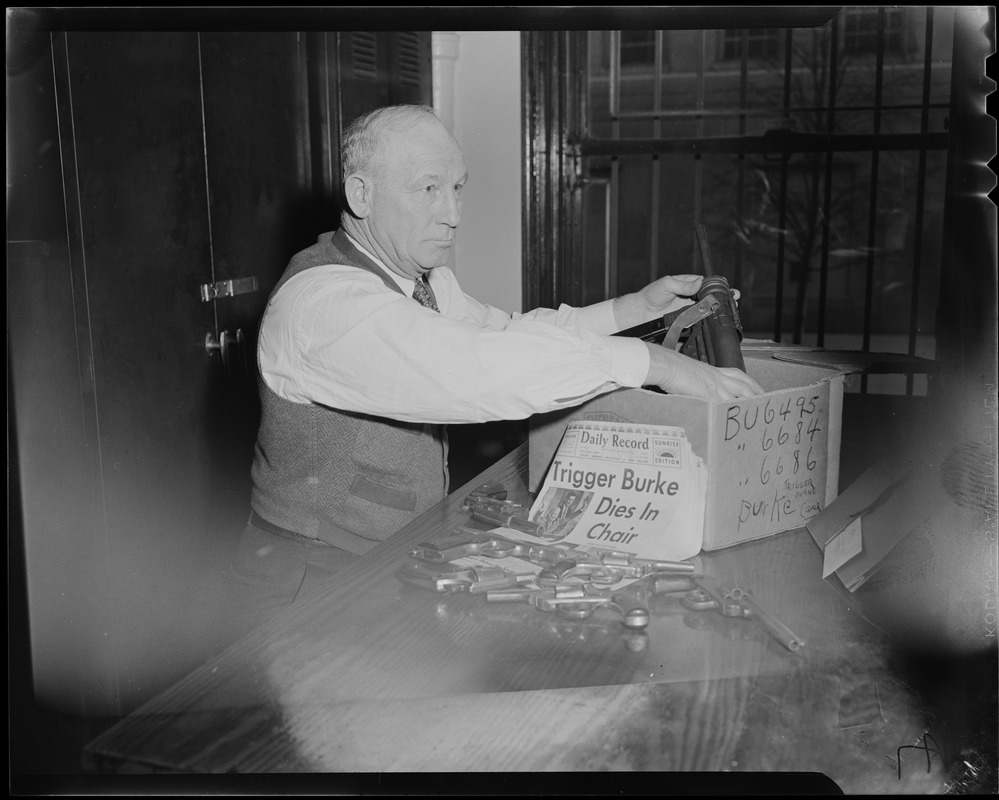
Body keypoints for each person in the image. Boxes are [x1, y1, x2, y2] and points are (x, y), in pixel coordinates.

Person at [223, 103, 761, 635]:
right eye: (428, 188)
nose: (453, 214)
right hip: (310, 582)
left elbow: (508, 333)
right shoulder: (323, 304)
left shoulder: (422, 282)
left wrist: (636, 309)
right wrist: (659, 364)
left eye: (457, 188)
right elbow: (482, 371)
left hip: (390, 554)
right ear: (361, 194)